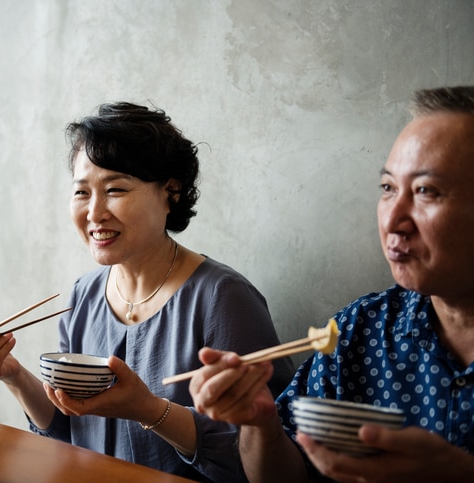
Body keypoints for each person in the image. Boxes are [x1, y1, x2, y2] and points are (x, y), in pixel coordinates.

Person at [0, 101, 295, 482]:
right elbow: (70, 430)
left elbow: (257, 463)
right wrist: (13, 375)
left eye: (115, 188)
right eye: (82, 192)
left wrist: (149, 410)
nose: (95, 212)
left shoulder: (223, 298)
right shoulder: (81, 296)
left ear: (171, 191)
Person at [188, 85, 474, 482]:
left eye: (426, 192)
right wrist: (260, 423)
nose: (393, 221)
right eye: (388, 189)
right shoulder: (361, 329)